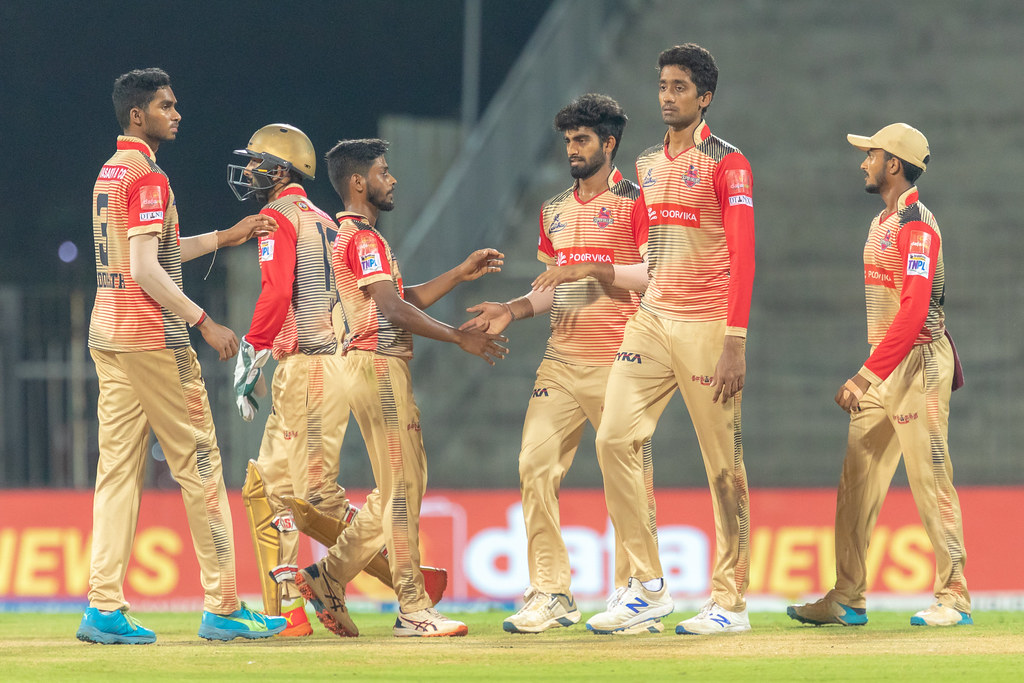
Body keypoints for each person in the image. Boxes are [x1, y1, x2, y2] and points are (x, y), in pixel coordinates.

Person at [77, 68, 286, 644]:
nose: (176, 114)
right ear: (137, 115)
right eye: (166, 106)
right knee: (202, 469)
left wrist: (224, 237)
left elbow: (153, 252)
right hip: (154, 340)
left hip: (108, 334)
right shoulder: (148, 176)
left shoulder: (110, 171)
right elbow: (147, 270)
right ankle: (223, 606)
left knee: (117, 473)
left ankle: (103, 607)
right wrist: (205, 322)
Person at [461, 94, 660, 633]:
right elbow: (552, 285)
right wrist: (512, 309)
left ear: (608, 144)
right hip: (561, 361)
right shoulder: (553, 210)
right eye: (568, 140)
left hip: (623, 361)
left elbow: (653, 277)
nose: (572, 149)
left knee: (627, 483)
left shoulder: (637, 202)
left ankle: (637, 594)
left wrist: (593, 268)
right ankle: (551, 593)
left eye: (582, 140)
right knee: (533, 466)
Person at [295, 138, 508, 638]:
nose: (391, 180)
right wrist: (457, 336)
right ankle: (412, 607)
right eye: (383, 172)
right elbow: (392, 310)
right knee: (402, 490)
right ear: (358, 182)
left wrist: (458, 275)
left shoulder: (356, 237)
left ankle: (329, 575)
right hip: (378, 367)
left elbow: (398, 297)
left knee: (400, 487)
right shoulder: (362, 239)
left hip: (368, 365)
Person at [586, 44, 756, 636]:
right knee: (613, 439)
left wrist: (735, 340)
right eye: (662, 85)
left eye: (679, 87)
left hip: (708, 327)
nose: (667, 96)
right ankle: (648, 588)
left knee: (723, 468)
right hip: (652, 321)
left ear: (704, 97)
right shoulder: (646, 163)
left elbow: (743, 255)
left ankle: (730, 603)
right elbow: (651, 254)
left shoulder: (728, 164)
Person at [788, 123, 971, 628]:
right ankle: (848, 597)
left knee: (930, 479)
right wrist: (875, 371)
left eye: (870, 155)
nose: (862, 163)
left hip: (918, 364)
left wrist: (866, 376)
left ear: (893, 163)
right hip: (885, 364)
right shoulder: (882, 222)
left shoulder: (917, 225)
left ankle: (954, 595)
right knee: (857, 482)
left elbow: (913, 314)